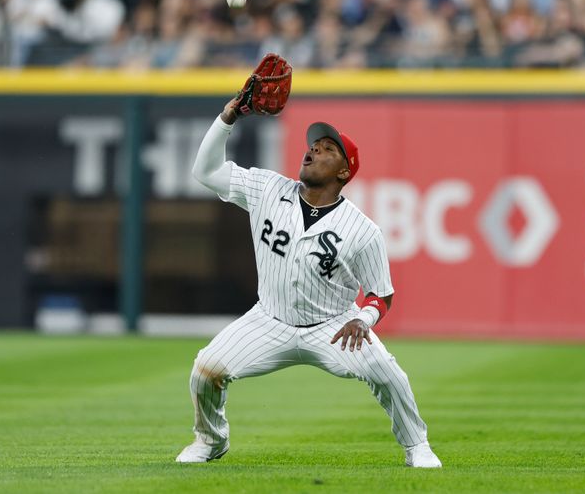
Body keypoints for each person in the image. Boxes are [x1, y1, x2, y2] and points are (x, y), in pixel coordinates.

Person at [176, 93, 442, 468]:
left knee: (388, 373)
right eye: (312, 146)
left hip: (333, 326)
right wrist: (227, 117)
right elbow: (205, 172)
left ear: (344, 171)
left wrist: (362, 320)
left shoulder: (362, 230)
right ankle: (210, 441)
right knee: (206, 370)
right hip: (268, 319)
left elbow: (382, 294)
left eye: (327, 149)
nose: (313, 151)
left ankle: (417, 445)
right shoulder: (268, 189)